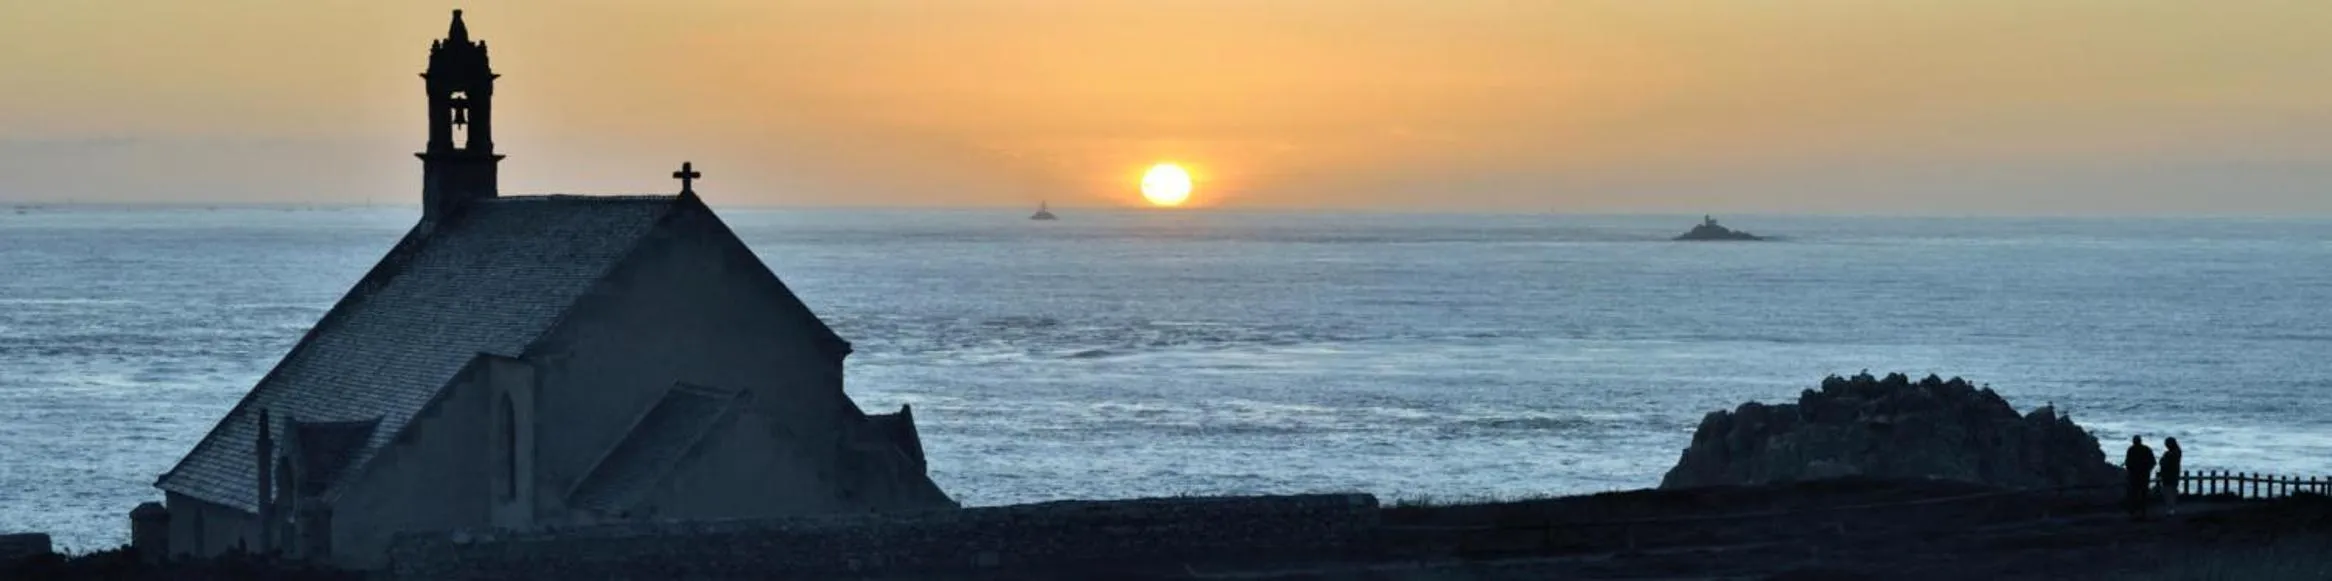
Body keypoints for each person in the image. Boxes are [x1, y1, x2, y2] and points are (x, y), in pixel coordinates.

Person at [2125, 435, 2156, 520]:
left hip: (2135, 475)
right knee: (2142, 493)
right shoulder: (2146, 449)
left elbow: (2127, 462)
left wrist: (2130, 470)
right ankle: (2142, 511)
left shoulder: (2131, 449)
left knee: (2134, 493)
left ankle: (2134, 511)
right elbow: (2153, 461)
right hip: (2143, 475)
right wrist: (2148, 469)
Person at [2159, 437, 2183, 515]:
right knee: (2171, 491)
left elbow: (2164, 462)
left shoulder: (2171, 453)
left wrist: (2163, 460)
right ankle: (2171, 508)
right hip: (2173, 474)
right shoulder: (2177, 452)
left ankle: (2171, 508)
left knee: (2168, 492)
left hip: (2169, 474)